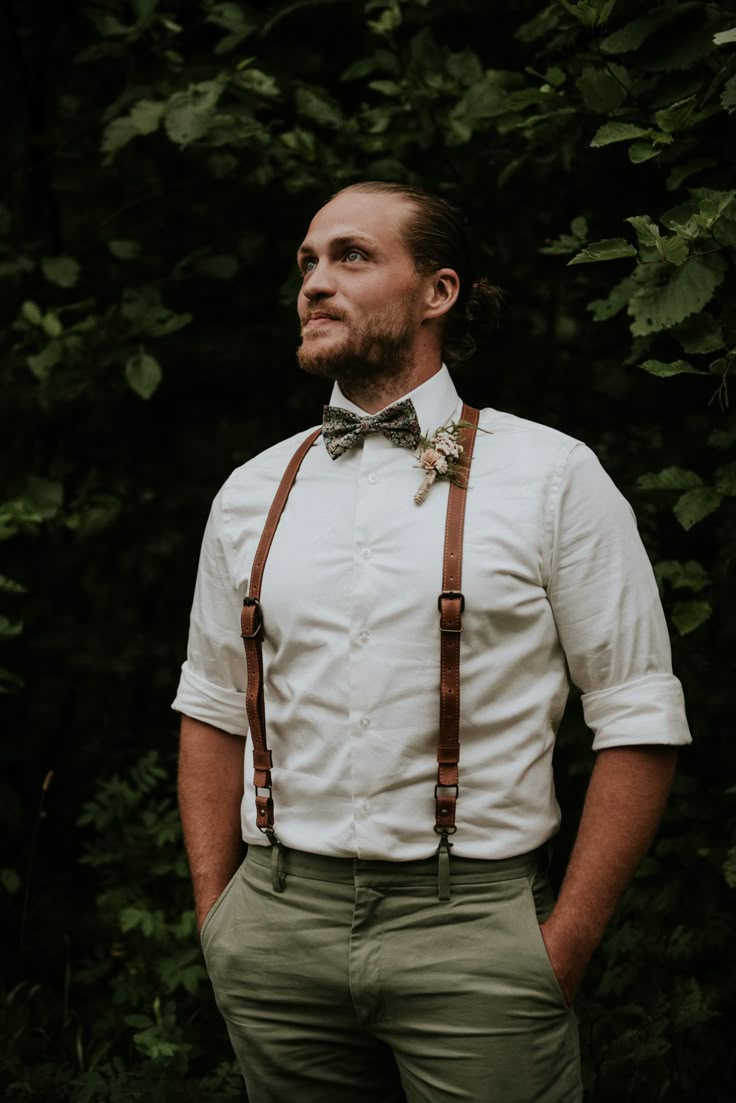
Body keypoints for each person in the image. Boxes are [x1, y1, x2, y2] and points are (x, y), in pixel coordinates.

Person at [173, 181, 691, 1102]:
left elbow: (639, 715)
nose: (315, 282)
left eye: (352, 256)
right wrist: (225, 920)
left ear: (437, 292)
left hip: (477, 928)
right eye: (308, 261)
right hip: (277, 930)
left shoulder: (554, 476)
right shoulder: (253, 489)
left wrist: (559, 949)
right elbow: (212, 707)